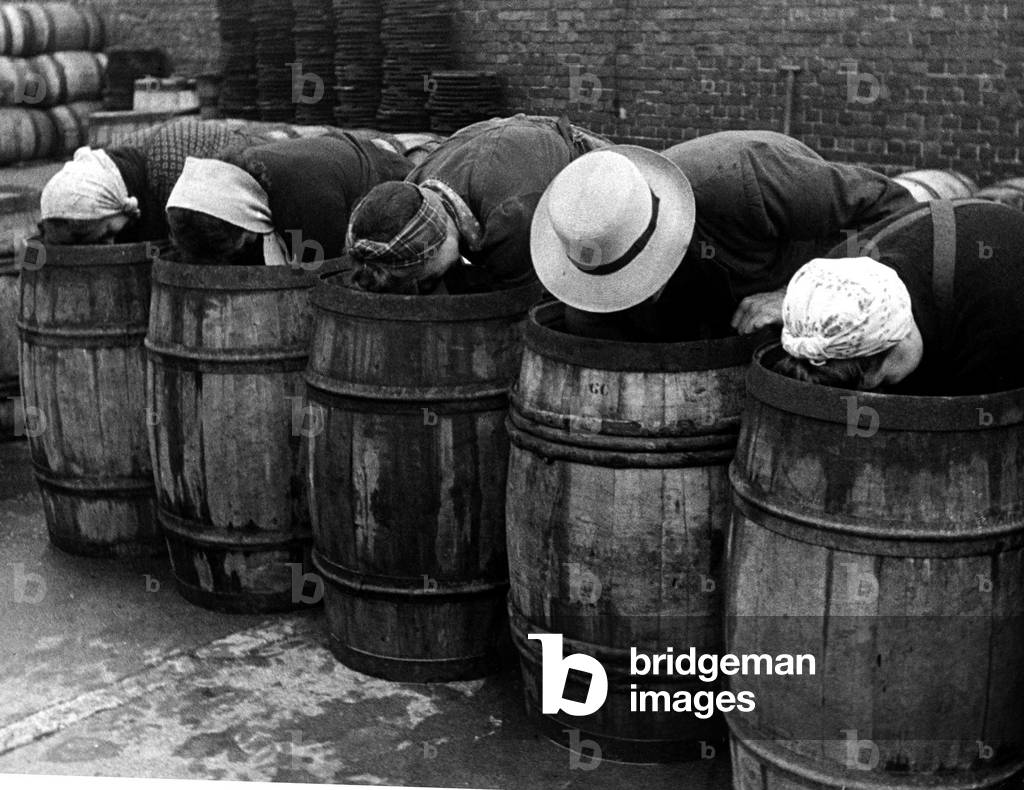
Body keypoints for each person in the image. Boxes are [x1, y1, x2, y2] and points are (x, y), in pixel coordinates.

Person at [530, 130, 915, 341]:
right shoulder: (594, 231)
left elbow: (894, 208)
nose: (624, 294)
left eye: (631, 283)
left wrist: (800, 298)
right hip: (719, 311)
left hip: (800, 286)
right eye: (614, 285)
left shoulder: (746, 179)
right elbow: (595, 341)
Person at [774, 200, 1024, 396]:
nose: (882, 389)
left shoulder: (998, 321)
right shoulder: (833, 276)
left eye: (883, 381)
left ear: (899, 337)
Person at [344, 114, 608, 294]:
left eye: (425, 280)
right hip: (513, 150)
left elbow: (521, 306)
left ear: (436, 242)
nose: (424, 288)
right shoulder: (417, 186)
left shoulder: (512, 216)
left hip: (598, 179)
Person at [165, 133, 412, 267]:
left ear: (242, 223)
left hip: (393, 196)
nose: (248, 242)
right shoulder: (247, 176)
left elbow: (327, 276)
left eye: (238, 242)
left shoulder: (306, 204)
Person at [38, 118, 246, 244]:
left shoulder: (172, 176)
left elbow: (208, 252)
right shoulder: (111, 171)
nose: (110, 244)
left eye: (108, 233)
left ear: (116, 203)